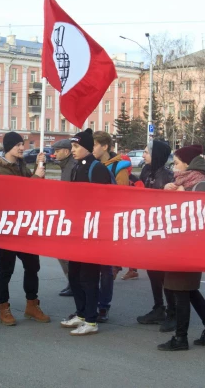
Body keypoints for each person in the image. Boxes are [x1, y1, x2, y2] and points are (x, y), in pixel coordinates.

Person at [158, 145, 205, 351]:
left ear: (188, 165)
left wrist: (180, 194)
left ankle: (180, 338)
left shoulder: (199, 186)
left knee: (181, 292)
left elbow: (200, 220)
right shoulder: (181, 184)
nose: (174, 168)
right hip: (177, 246)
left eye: (176, 163)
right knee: (189, 291)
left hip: (189, 249)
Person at [0, 132, 49, 326]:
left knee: (32, 266)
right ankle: (3, 308)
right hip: (8, 228)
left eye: (22, 144)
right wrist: (36, 179)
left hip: (25, 226)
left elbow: (33, 188)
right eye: (17, 145)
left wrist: (40, 167)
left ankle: (32, 304)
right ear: (8, 148)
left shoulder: (21, 166)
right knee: (6, 269)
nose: (22, 148)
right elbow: (14, 194)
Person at [60, 129, 112, 336]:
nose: (72, 150)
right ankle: (81, 313)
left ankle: (91, 319)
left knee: (89, 277)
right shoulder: (76, 167)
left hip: (91, 231)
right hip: (76, 230)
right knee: (75, 274)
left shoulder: (96, 168)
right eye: (72, 146)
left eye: (76, 146)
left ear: (87, 148)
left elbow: (104, 200)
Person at [137, 140, 176, 332]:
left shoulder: (168, 176)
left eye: (146, 152)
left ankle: (172, 312)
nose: (143, 155)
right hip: (148, 228)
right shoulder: (146, 171)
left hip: (162, 232)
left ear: (157, 155)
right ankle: (158, 307)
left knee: (165, 274)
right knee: (152, 272)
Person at [91, 131, 120, 322]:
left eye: (95, 145)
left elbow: (121, 195)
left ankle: (104, 306)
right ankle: (92, 304)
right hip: (93, 222)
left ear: (105, 147)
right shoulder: (92, 166)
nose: (93, 149)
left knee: (106, 270)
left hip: (108, 223)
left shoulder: (118, 167)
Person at [52, 139, 76, 297]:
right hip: (66, 214)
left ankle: (75, 283)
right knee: (62, 252)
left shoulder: (72, 167)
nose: (54, 154)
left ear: (66, 152)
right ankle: (72, 282)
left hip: (72, 216)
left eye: (57, 150)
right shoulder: (65, 166)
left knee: (67, 253)